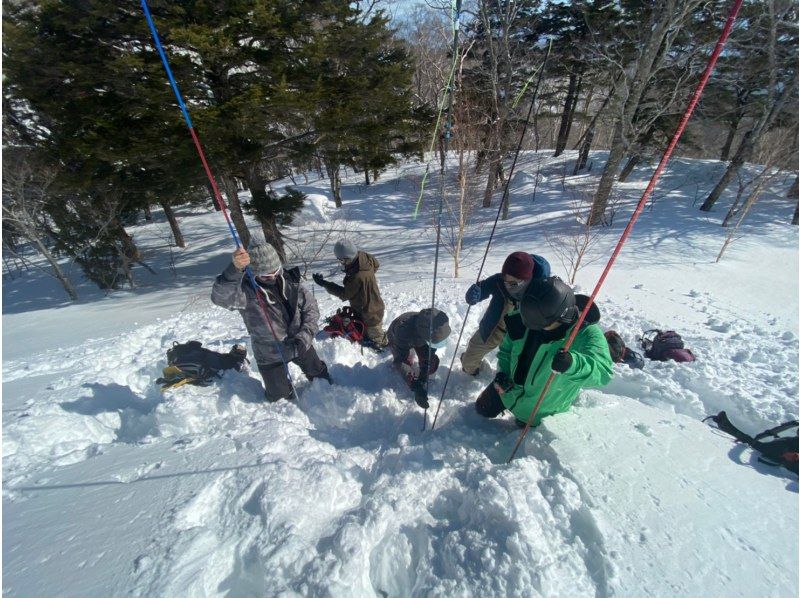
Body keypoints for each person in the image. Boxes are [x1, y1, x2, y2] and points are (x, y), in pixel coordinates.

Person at [475, 276, 613, 426]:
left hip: (538, 409)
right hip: (509, 391)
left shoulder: (586, 333)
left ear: (562, 317)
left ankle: (522, 418)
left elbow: (603, 372)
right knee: (482, 408)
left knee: (522, 424)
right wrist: (503, 373)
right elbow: (506, 350)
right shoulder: (526, 317)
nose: (535, 329)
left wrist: (573, 365)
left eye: (542, 326)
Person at [211, 239, 330, 401]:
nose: (274, 277)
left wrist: (305, 336)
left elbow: (311, 310)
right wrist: (234, 270)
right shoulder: (244, 292)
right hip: (269, 352)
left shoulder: (291, 282)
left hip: (299, 342)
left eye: (276, 271)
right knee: (278, 398)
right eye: (267, 275)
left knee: (321, 377)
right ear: (254, 274)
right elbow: (220, 297)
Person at [460, 252, 551, 376]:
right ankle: (477, 371)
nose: (507, 285)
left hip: (522, 336)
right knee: (468, 363)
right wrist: (473, 294)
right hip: (495, 329)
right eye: (505, 279)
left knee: (516, 371)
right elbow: (482, 288)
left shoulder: (541, 288)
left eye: (513, 283)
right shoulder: (499, 281)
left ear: (526, 280)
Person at [313, 239, 387, 349]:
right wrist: (367, 283)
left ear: (347, 258)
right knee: (365, 329)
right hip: (370, 304)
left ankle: (385, 348)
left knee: (377, 340)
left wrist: (324, 284)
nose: (341, 262)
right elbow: (376, 265)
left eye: (341, 260)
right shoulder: (364, 257)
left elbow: (345, 294)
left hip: (370, 312)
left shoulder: (356, 276)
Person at [387, 308, 451, 408]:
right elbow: (400, 361)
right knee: (407, 363)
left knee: (431, 364)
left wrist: (425, 370)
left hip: (422, 338)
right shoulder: (402, 330)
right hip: (398, 336)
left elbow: (431, 349)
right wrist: (415, 385)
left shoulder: (435, 327)